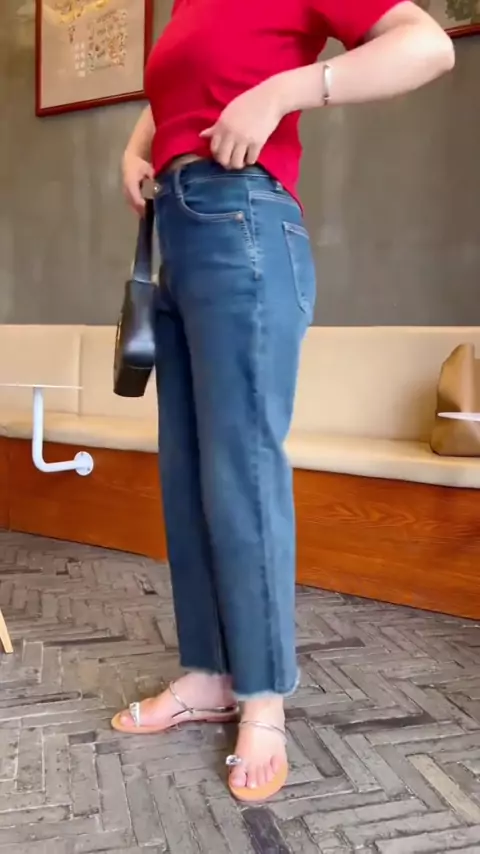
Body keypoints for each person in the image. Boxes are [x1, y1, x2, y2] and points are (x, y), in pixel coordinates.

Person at [112, 0, 454, 803]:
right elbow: (174, 96)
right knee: (188, 471)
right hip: (180, 233)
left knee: (241, 470)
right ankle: (208, 675)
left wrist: (283, 91)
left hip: (245, 223)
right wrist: (133, 149)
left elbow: (428, 46)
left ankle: (263, 698)